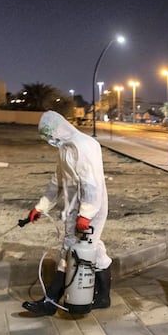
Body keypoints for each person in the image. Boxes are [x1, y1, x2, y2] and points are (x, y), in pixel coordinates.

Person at [22, 110, 112, 315]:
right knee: (93, 249)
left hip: (91, 209)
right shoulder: (65, 148)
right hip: (75, 209)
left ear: (59, 128)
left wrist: (86, 214)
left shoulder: (84, 146)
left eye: (50, 135)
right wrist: (41, 207)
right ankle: (104, 297)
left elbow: (92, 184)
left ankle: (50, 302)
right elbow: (57, 182)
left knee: (70, 250)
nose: (50, 140)